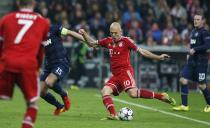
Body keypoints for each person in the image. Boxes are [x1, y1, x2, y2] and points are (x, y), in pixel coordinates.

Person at [79, 22, 176, 120]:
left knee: (132, 94)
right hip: (116, 75)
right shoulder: (107, 41)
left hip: (125, 72)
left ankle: (161, 96)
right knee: (104, 91)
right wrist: (84, 34)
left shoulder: (126, 41)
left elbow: (142, 51)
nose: (114, 35)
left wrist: (158, 57)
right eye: (112, 33)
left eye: (116, 33)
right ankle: (113, 114)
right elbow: (91, 44)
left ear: (121, 31)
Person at [0, 0, 49, 128]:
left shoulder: (6, 19)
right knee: (32, 104)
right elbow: (41, 51)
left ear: (18, 3)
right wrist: (38, 67)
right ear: (34, 3)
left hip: (6, 64)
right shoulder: (43, 22)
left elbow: (0, 45)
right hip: (28, 66)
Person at [40, 25, 86, 115]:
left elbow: (70, 33)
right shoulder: (36, 36)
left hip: (61, 62)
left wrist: (87, 41)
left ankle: (64, 94)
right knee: (41, 92)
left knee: (49, 82)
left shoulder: (53, 28)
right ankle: (59, 106)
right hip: (48, 65)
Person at [173, 12, 210, 112]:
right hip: (192, 61)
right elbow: (192, 46)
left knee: (202, 85)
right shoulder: (193, 32)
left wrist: (195, 49)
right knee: (182, 80)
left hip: (201, 62)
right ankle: (184, 105)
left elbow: (207, 46)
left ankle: (209, 105)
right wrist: (190, 53)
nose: (195, 21)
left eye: (198, 19)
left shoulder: (205, 32)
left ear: (203, 21)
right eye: (194, 19)